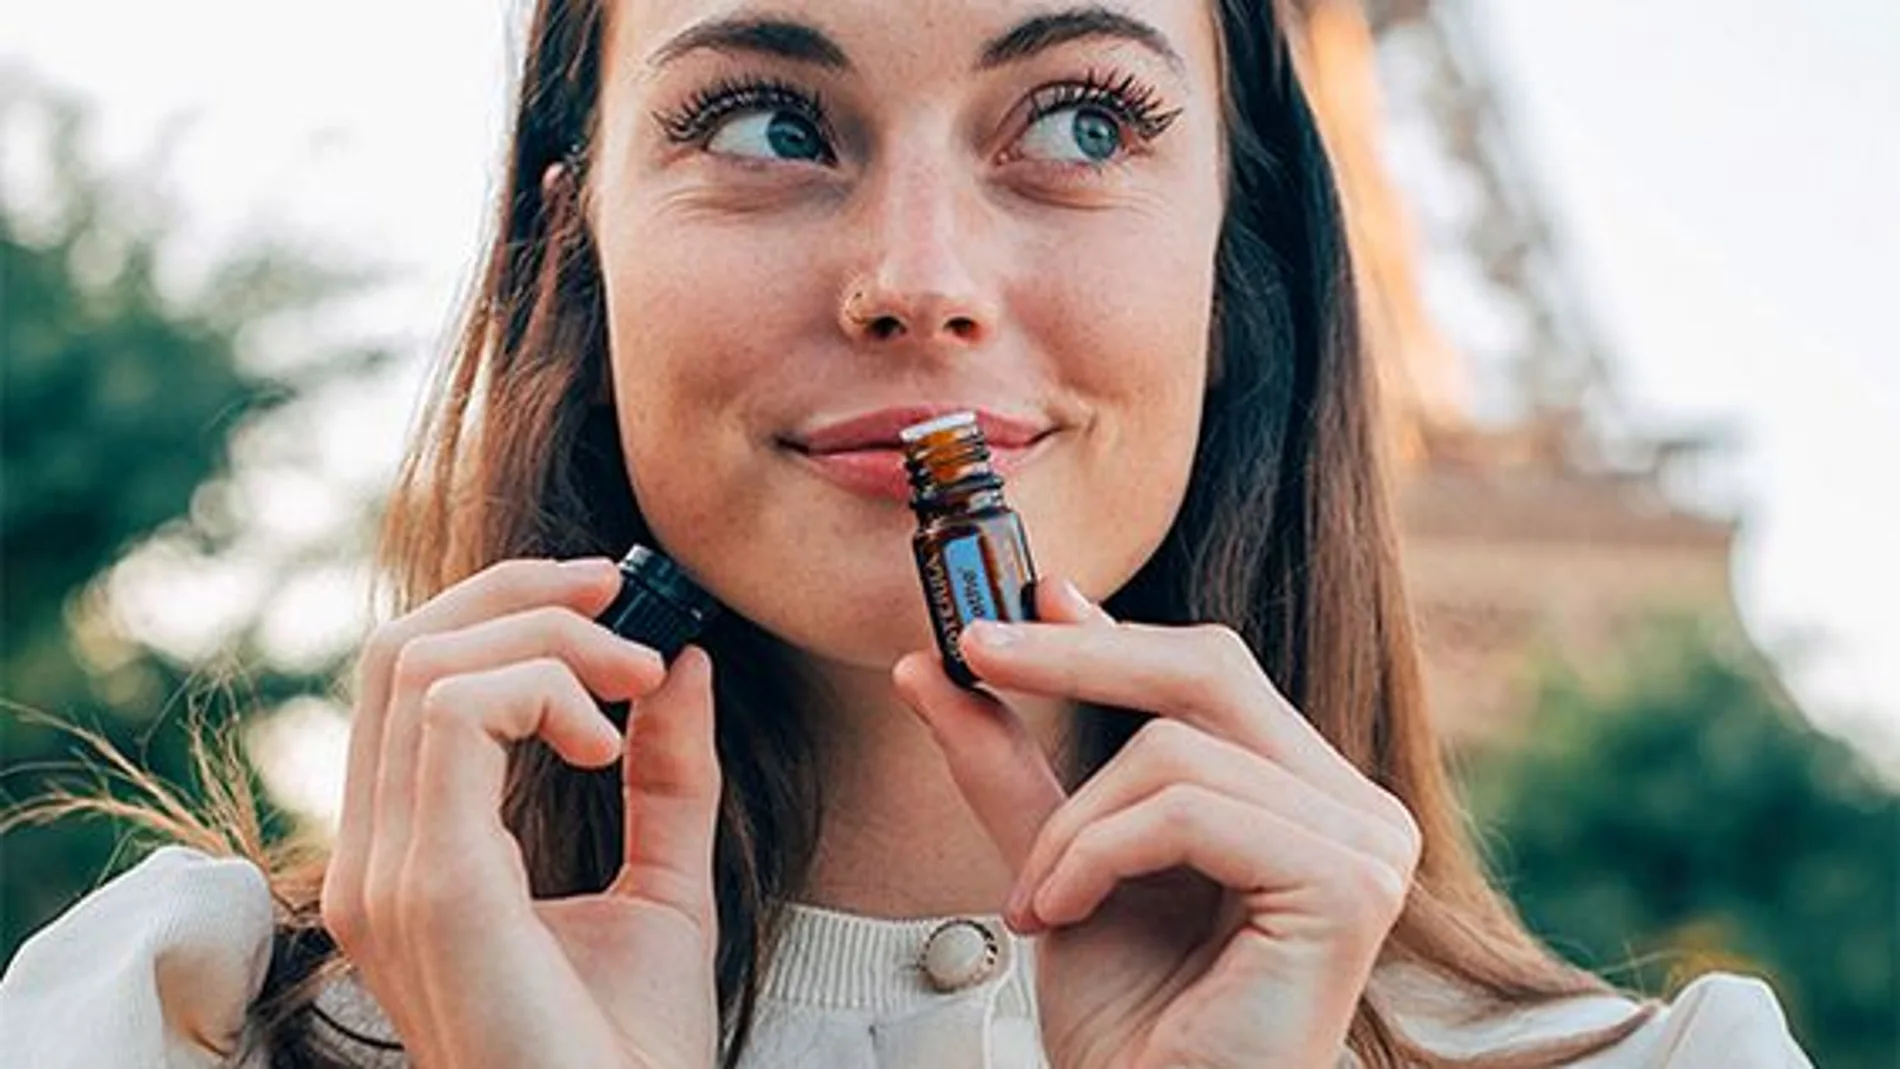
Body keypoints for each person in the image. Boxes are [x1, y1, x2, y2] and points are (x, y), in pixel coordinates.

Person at [0, 1, 1814, 1066]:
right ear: (578, 243)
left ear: (1239, 255)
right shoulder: (158, 1023)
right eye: (771, 120)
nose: (918, 283)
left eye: (1083, 120)